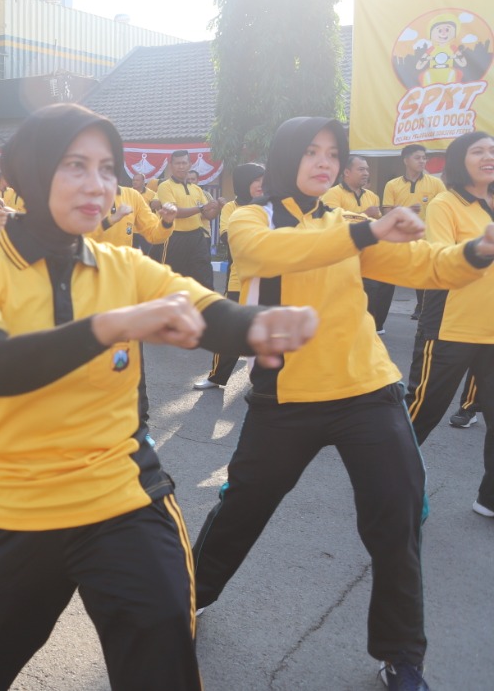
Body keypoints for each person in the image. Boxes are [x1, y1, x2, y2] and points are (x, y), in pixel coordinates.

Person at [0, 104, 313, 691]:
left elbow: (206, 311)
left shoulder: (124, 264)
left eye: (108, 168)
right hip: (12, 509)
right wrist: (113, 325)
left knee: (163, 654)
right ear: (31, 172)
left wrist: (259, 326)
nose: (98, 184)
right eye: (75, 165)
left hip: (122, 499)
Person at [190, 117, 494, 691]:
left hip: (368, 392)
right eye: (311, 151)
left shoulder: (349, 222)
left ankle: (403, 657)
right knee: (242, 509)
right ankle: (187, 601)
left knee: (397, 518)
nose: (325, 162)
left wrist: (476, 250)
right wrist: (366, 233)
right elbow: (268, 252)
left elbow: (427, 265)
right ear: (285, 157)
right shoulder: (252, 217)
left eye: (333, 153)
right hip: (286, 397)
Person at [401, 131, 493, 516]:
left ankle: (489, 498)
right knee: (421, 413)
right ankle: (385, 483)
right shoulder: (445, 203)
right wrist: (480, 250)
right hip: (449, 328)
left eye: (492, 150)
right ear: (460, 160)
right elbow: (440, 259)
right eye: (478, 151)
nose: (488, 156)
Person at [88, 174, 179, 426]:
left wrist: (166, 222)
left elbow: (153, 233)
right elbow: (75, 237)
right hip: (90, 284)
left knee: (129, 351)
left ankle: (138, 420)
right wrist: (109, 221)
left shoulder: (132, 195)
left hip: (123, 284)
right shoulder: (83, 196)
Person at [193, 162, 266, 390]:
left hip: (271, 277)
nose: (261, 185)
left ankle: (268, 381)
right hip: (239, 279)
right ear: (244, 182)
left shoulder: (271, 207)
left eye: (264, 180)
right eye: (256, 180)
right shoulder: (231, 208)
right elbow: (228, 238)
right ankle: (216, 377)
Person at [321, 154, 391, 333]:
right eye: (361, 169)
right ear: (346, 172)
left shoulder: (372, 196)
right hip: (345, 256)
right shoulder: (332, 194)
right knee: (366, 292)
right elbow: (332, 222)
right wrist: (364, 213)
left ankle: (375, 328)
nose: (366, 173)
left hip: (371, 254)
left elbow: (377, 224)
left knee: (385, 288)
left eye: (367, 169)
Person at [382, 144, 446, 320]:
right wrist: (405, 210)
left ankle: (422, 307)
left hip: (427, 236)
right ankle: (379, 313)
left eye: (424, 158)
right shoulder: (392, 185)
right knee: (390, 277)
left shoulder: (436, 183)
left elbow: (446, 206)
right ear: (406, 160)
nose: (422, 161)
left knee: (424, 273)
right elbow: (387, 213)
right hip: (400, 237)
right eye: (418, 157)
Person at [151, 151, 219, 289]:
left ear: (190, 164)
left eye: (184, 163)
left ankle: (205, 309)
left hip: (196, 237)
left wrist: (219, 207)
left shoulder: (196, 189)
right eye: (177, 163)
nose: (181, 166)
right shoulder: (165, 186)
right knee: (171, 281)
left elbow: (208, 216)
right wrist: (201, 208)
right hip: (173, 238)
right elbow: (174, 212)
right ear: (171, 165)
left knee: (204, 279)